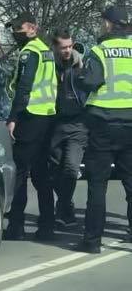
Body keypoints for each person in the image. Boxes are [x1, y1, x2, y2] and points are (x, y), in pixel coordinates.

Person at [74, 5, 132, 254]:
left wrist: (79, 74)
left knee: (98, 184)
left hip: (103, 124)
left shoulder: (99, 50)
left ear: (108, 24)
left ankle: (92, 241)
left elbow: (91, 81)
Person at [4, 13, 57, 241]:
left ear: (33, 28)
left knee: (20, 172)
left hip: (30, 115)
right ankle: (47, 226)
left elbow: (24, 87)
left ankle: (16, 226)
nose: (15, 33)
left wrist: (13, 117)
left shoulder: (30, 52)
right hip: (47, 116)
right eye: (14, 29)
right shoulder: (46, 50)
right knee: (41, 173)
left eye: (19, 28)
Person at [49, 30, 88, 228]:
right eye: (63, 47)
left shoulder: (82, 65)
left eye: (70, 46)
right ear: (55, 47)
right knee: (55, 170)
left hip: (78, 124)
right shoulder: (49, 65)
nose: (67, 50)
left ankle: (64, 206)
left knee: (71, 168)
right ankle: (66, 205)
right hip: (54, 123)